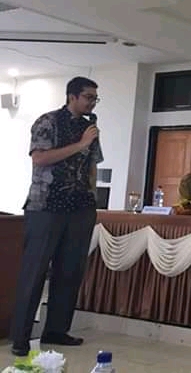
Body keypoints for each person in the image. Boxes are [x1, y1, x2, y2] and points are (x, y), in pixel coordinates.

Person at [11, 77, 103, 356]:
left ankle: (57, 330)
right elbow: (39, 158)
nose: (92, 103)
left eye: (95, 98)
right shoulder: (48, 121)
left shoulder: (90, 128)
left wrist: (92, 198)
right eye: (88, 97)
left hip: (80, 208)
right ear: (72, 96)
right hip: (47, 206)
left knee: (70, 272)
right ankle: (20, 337)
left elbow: (92, 165)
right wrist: (80, 143)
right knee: (35, 272)